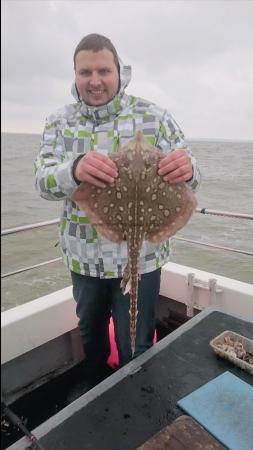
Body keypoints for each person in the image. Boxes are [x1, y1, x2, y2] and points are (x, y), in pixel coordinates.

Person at [35, 33, 201, 384]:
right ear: (75, 75)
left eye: (103, 70)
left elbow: (192, 172)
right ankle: (95, 391)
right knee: (91, 334)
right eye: (85, 72)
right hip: (84, 258)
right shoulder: (58, 122)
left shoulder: (155, 117)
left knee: (136, 343)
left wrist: (190, 169)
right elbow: (42, 181)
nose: (94, 80)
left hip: (144, 257)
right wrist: (74, 168)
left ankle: (135, 392)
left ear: (119, 73)